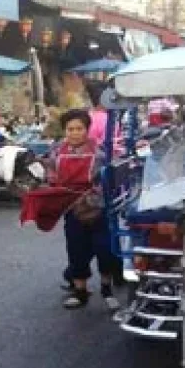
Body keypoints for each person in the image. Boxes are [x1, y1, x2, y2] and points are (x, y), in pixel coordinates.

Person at [46, 110, 120, 311]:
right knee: (76, 250)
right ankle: (80, 292)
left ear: (87, 130)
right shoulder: (56, 152)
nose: (75, 133)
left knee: (105, 250)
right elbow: (51, 177)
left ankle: (107, 289)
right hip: (72, 210)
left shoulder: (100, 152)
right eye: (70, 129)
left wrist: (92, 196)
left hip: (99, 209)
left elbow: (109, 179)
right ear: (64, 131)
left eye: (79, 129)